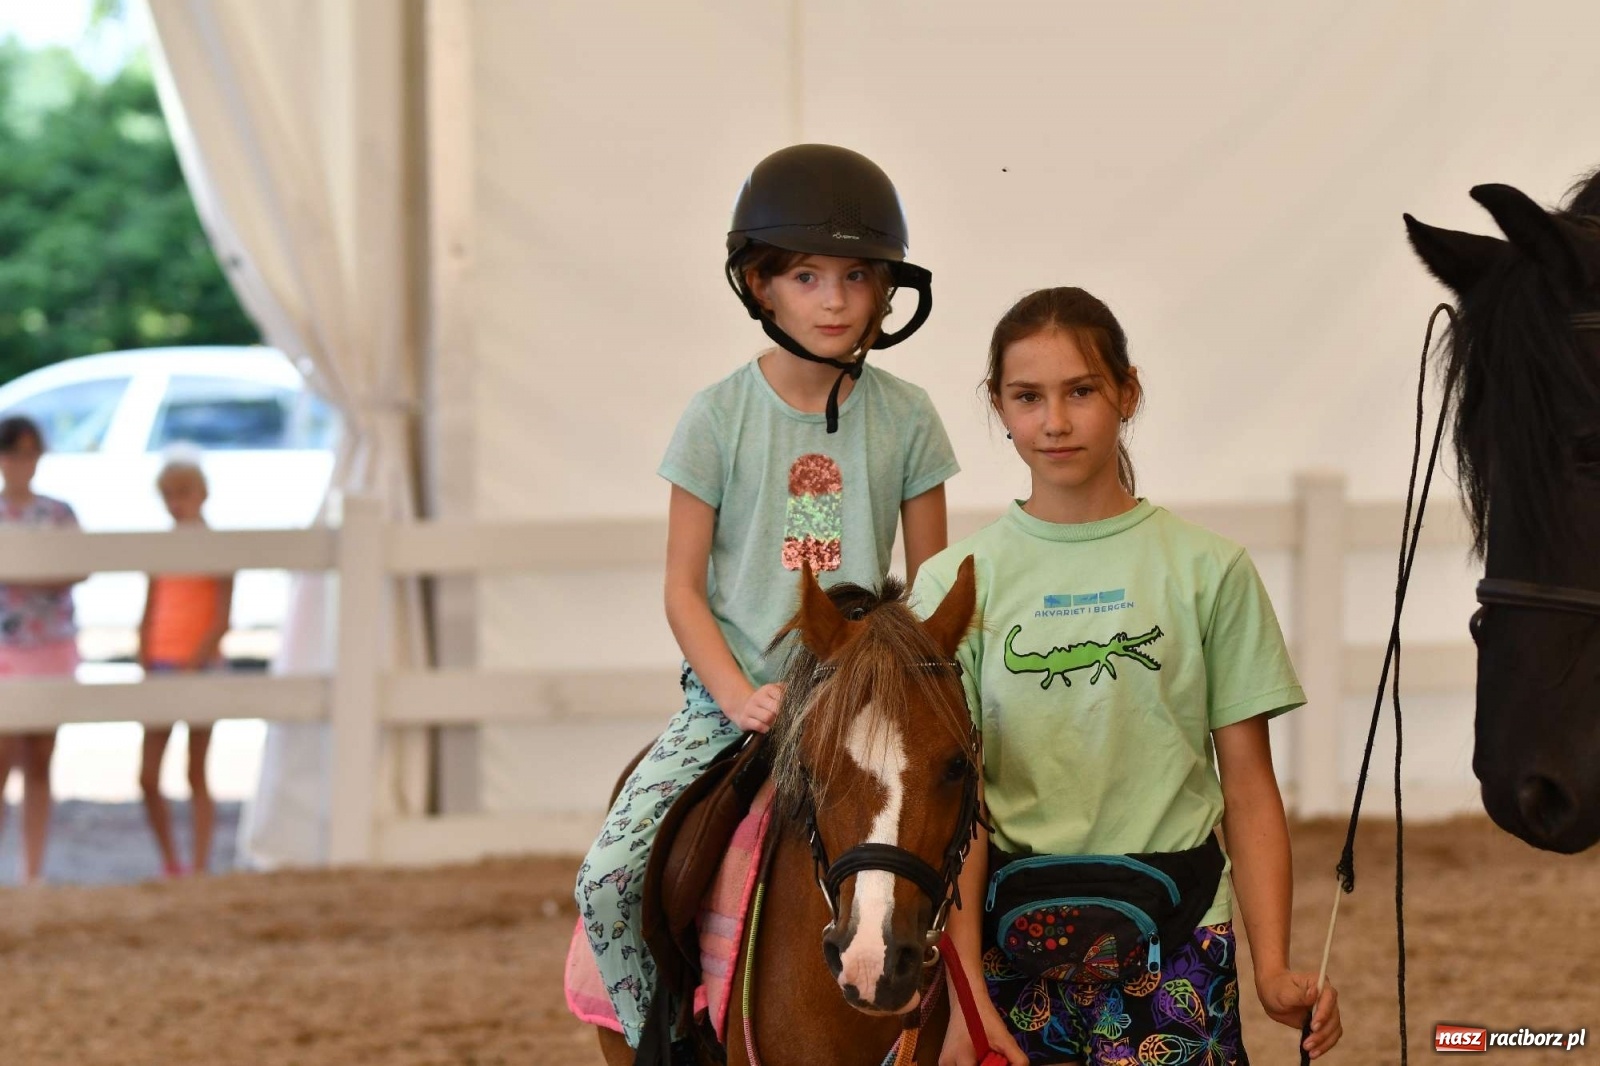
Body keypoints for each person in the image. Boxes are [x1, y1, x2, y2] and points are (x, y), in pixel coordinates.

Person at [574, 144, 959, 1056]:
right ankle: (656, 1033)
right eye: (806, 275)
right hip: (733, 697)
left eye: (857, 276)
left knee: (985, 835)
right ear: (762, 285)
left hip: (868, 705)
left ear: (885, 292)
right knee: (609, 878)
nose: (833, 300)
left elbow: (934, 584)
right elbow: (682, 588)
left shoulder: (909, 419)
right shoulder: (715, 419)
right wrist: (735, 694)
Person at [914, 288, 1343, 1065]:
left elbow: (1247, 787)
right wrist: (969, 1002)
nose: (1054, 420)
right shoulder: (954, 586)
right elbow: (956, 814)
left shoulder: (1210, 572)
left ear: (1127, 392)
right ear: (999, 407)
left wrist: (1273, 964)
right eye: (1027, 397)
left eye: (1080, 390)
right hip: (1011, 962)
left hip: (1179, 945)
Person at [136, 453, 232, 878]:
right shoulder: (161, 548)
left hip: (199, 665)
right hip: (161, 663)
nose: (177, 503)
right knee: (148, 775)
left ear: (202, 493)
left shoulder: (217, 548)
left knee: (197, 770)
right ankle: (171, 860)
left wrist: (194, 662)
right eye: (169, 495)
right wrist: (144, 654)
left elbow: (221, 617)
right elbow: (150, 606)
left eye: (184, 493)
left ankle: (200, 862)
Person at [0, 415, 86, 885]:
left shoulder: (58, 512)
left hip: (49, 644)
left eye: (30, 453)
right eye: (13, 452)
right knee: (3, 754)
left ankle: (31, 871)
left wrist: (23, 577)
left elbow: (77, 567)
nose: (21, 463)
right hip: (7, 647)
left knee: (40, 757)